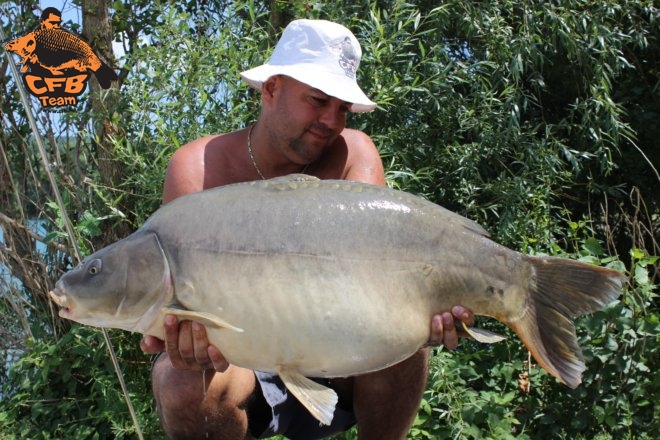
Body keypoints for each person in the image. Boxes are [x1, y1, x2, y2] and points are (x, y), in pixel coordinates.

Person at [140, 19, 474, 439]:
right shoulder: (199, 168)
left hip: (338, 349)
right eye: (318, 100)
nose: (332, 120)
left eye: (342, 108)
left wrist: (421, 310)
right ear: (272, 88)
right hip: (237, 356)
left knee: (406, 349)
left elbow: (376, 283)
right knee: (179, 380)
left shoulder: (354, 156)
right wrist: (178, 332)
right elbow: (181, 301)